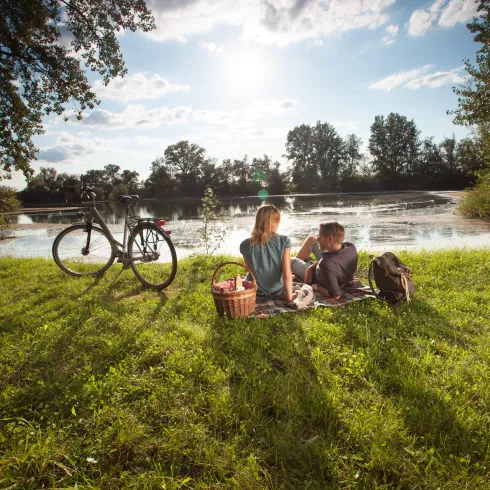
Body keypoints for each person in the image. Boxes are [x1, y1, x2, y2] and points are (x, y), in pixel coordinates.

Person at [240, 204, 293, 303]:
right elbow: (287, 274)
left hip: (256, 294)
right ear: (275, 222)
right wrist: (289, 300)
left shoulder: (244, 244)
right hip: (277, 293)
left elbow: (250, 270)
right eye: (278, 221)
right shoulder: (284, 241)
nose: (279, 223)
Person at [291, 221, 358, 300]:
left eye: (320, 236)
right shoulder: (350, 247)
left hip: (318, 275)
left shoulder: (325, 265)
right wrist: (312, 266)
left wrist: (316, 287)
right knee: (311, 239)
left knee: (291, 261)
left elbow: (336, 295)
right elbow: (330, 261)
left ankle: (293, 269)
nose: (317, 238)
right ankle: (295, 269)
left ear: (330, 239)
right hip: (336, 268)